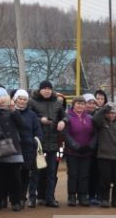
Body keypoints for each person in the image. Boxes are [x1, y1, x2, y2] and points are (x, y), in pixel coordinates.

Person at [29, 80, 66, 208]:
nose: (47, 91)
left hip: (53, 143)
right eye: (44, 88)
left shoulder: (57, 102)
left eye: (49, 88)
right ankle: (32, 198)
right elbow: (29, 118)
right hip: (38, 143)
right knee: (36, 172)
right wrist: (40, 120)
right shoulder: (32, 102)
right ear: (40, 90)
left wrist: (63, 122)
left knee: (51, 173)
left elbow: (64, 116)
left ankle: (50, 198)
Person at [0, 89, 25, 211]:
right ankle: (0, 200)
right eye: (0, 98)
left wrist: (13, 109)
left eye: (5, 97)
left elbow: (22, 125)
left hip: (14, 147)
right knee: (0, 177)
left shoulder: (13, 111)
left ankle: (16, 200)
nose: (3, 100)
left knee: (15, 176)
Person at [62, 96, 96, 206]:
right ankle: (72, 196)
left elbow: (95, 134)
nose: (80, 106)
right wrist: (75, 146)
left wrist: (90, 146)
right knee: (73, 174)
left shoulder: (90, 118)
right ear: (73, 105)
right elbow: (65, 134)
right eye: (78, 103)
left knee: (84, 175)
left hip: (87, 152)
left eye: (82, 104)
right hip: (72, 152)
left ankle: (83, 196)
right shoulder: (68, 117)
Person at [12, 90, 42, 208]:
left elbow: (38, 131)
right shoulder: (11, 113)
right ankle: (15, 198)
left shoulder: (32, 115)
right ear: (15, 99)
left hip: (29, 148)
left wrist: (34, 141)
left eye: (25, 99)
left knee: (25, 174)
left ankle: (23, 198)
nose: (22, 101)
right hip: (14, 148)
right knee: (16, 175)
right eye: (20, 99)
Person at [83, 94, 102, 205]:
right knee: (84, 174)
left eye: (93, 103)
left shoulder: (99, 115)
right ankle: (82, 195)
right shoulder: (79, 115)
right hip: (82, 149)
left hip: (96, 149)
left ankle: (92, 195)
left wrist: (92, 144)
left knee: (95, 173)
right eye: (88, 103)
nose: (91, 105)